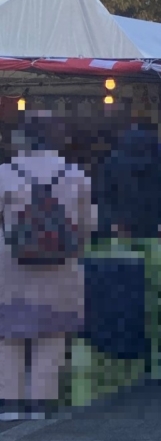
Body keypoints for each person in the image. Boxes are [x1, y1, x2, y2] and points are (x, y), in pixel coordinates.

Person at [0, 119, 94, 420]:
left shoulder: (5, 173)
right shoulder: (74, 174)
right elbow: (87, 224)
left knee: (8, 334)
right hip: (60, 263)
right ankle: (40, 403)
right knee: (52, 334)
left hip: (10, 262)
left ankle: (11, 404)